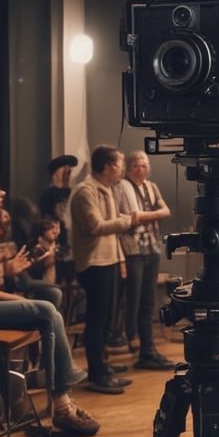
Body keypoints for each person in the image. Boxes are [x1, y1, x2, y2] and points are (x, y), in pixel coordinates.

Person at [0, 166, 98, 436]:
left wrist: (8, 270)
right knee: (46, 309)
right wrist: (12, 296)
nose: (1, 192)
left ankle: (61, 405)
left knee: (51, 315)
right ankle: (62, 405)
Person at [70, 145, 138, 394]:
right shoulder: (85, 191)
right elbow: (97, 226)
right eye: (119, 164)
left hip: (109, 261)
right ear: (108, 166)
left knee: (108, 319)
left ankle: (103, 366)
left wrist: (120, 261)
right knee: (97, 321)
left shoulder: (107, 188)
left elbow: (110, 232)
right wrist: (128, 220)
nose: (122, 168)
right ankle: (97, 375)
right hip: (94, 263)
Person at [114, 150, 174, 370]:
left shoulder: (151, 186)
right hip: (132, 249)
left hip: (151, 246)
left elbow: (165, 210)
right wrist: (151, 215)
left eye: (144, 165)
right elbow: (132, 217)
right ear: (129, 168)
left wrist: (145, 216)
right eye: (136, 165)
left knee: (148, 300)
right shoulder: (123, 187)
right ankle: (133, 339)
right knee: (134, 297)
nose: (141, 169)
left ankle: (148, 348)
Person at [39, 154, 78, 282]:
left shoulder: (71, 192)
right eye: (66, 172)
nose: (68, 176)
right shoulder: (48, 194)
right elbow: (46, 217)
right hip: (54, 239)